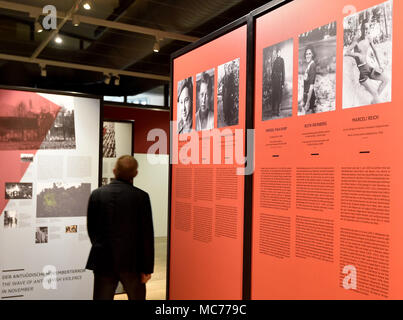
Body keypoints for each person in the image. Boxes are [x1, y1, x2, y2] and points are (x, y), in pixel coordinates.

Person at [86, 155, 154, 300]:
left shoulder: (97, 194)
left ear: (114, 171)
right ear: (135, 174)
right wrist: (147, 268)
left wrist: (101, 246)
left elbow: (92, 229)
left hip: (104, 259)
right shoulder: (141, 197)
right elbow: (146, 235)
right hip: (133, 263)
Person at [344, 19, 389, 104]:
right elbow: (346, 52)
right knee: (375, 94)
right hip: (362, 72)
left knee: (386, 80)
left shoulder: (369, 39)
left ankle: (373, 102)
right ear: (361, 29)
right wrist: (357, 55)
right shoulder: (356, 40)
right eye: (364, 28)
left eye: (367, 28)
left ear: (369, 29)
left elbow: (375, 51)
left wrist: (380, 65)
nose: (365, 30)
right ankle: (375, 102)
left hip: (368, 67)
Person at [271, 47, 285, 116]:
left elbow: (283, 71)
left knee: (279, 95)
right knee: (274, 95)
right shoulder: (275, 61)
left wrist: (282, 82)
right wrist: (272, 80)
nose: (278, 53)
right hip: (275, 81)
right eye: (277, 52)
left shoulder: (282, 60)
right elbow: (272, 71)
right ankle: (273, 110)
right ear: (276, 53)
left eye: (279, 52)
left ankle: (278, 111)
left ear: (280, 53)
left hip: (279, 80)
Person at [302, 46, 317, 113]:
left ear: (313, 54)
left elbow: (311, 87)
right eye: (306, 54)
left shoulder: (312, 66)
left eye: (309, 53)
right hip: (307, 96)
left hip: (309, 98)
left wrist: (307, 103)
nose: (307, 56)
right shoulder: (309, 65)